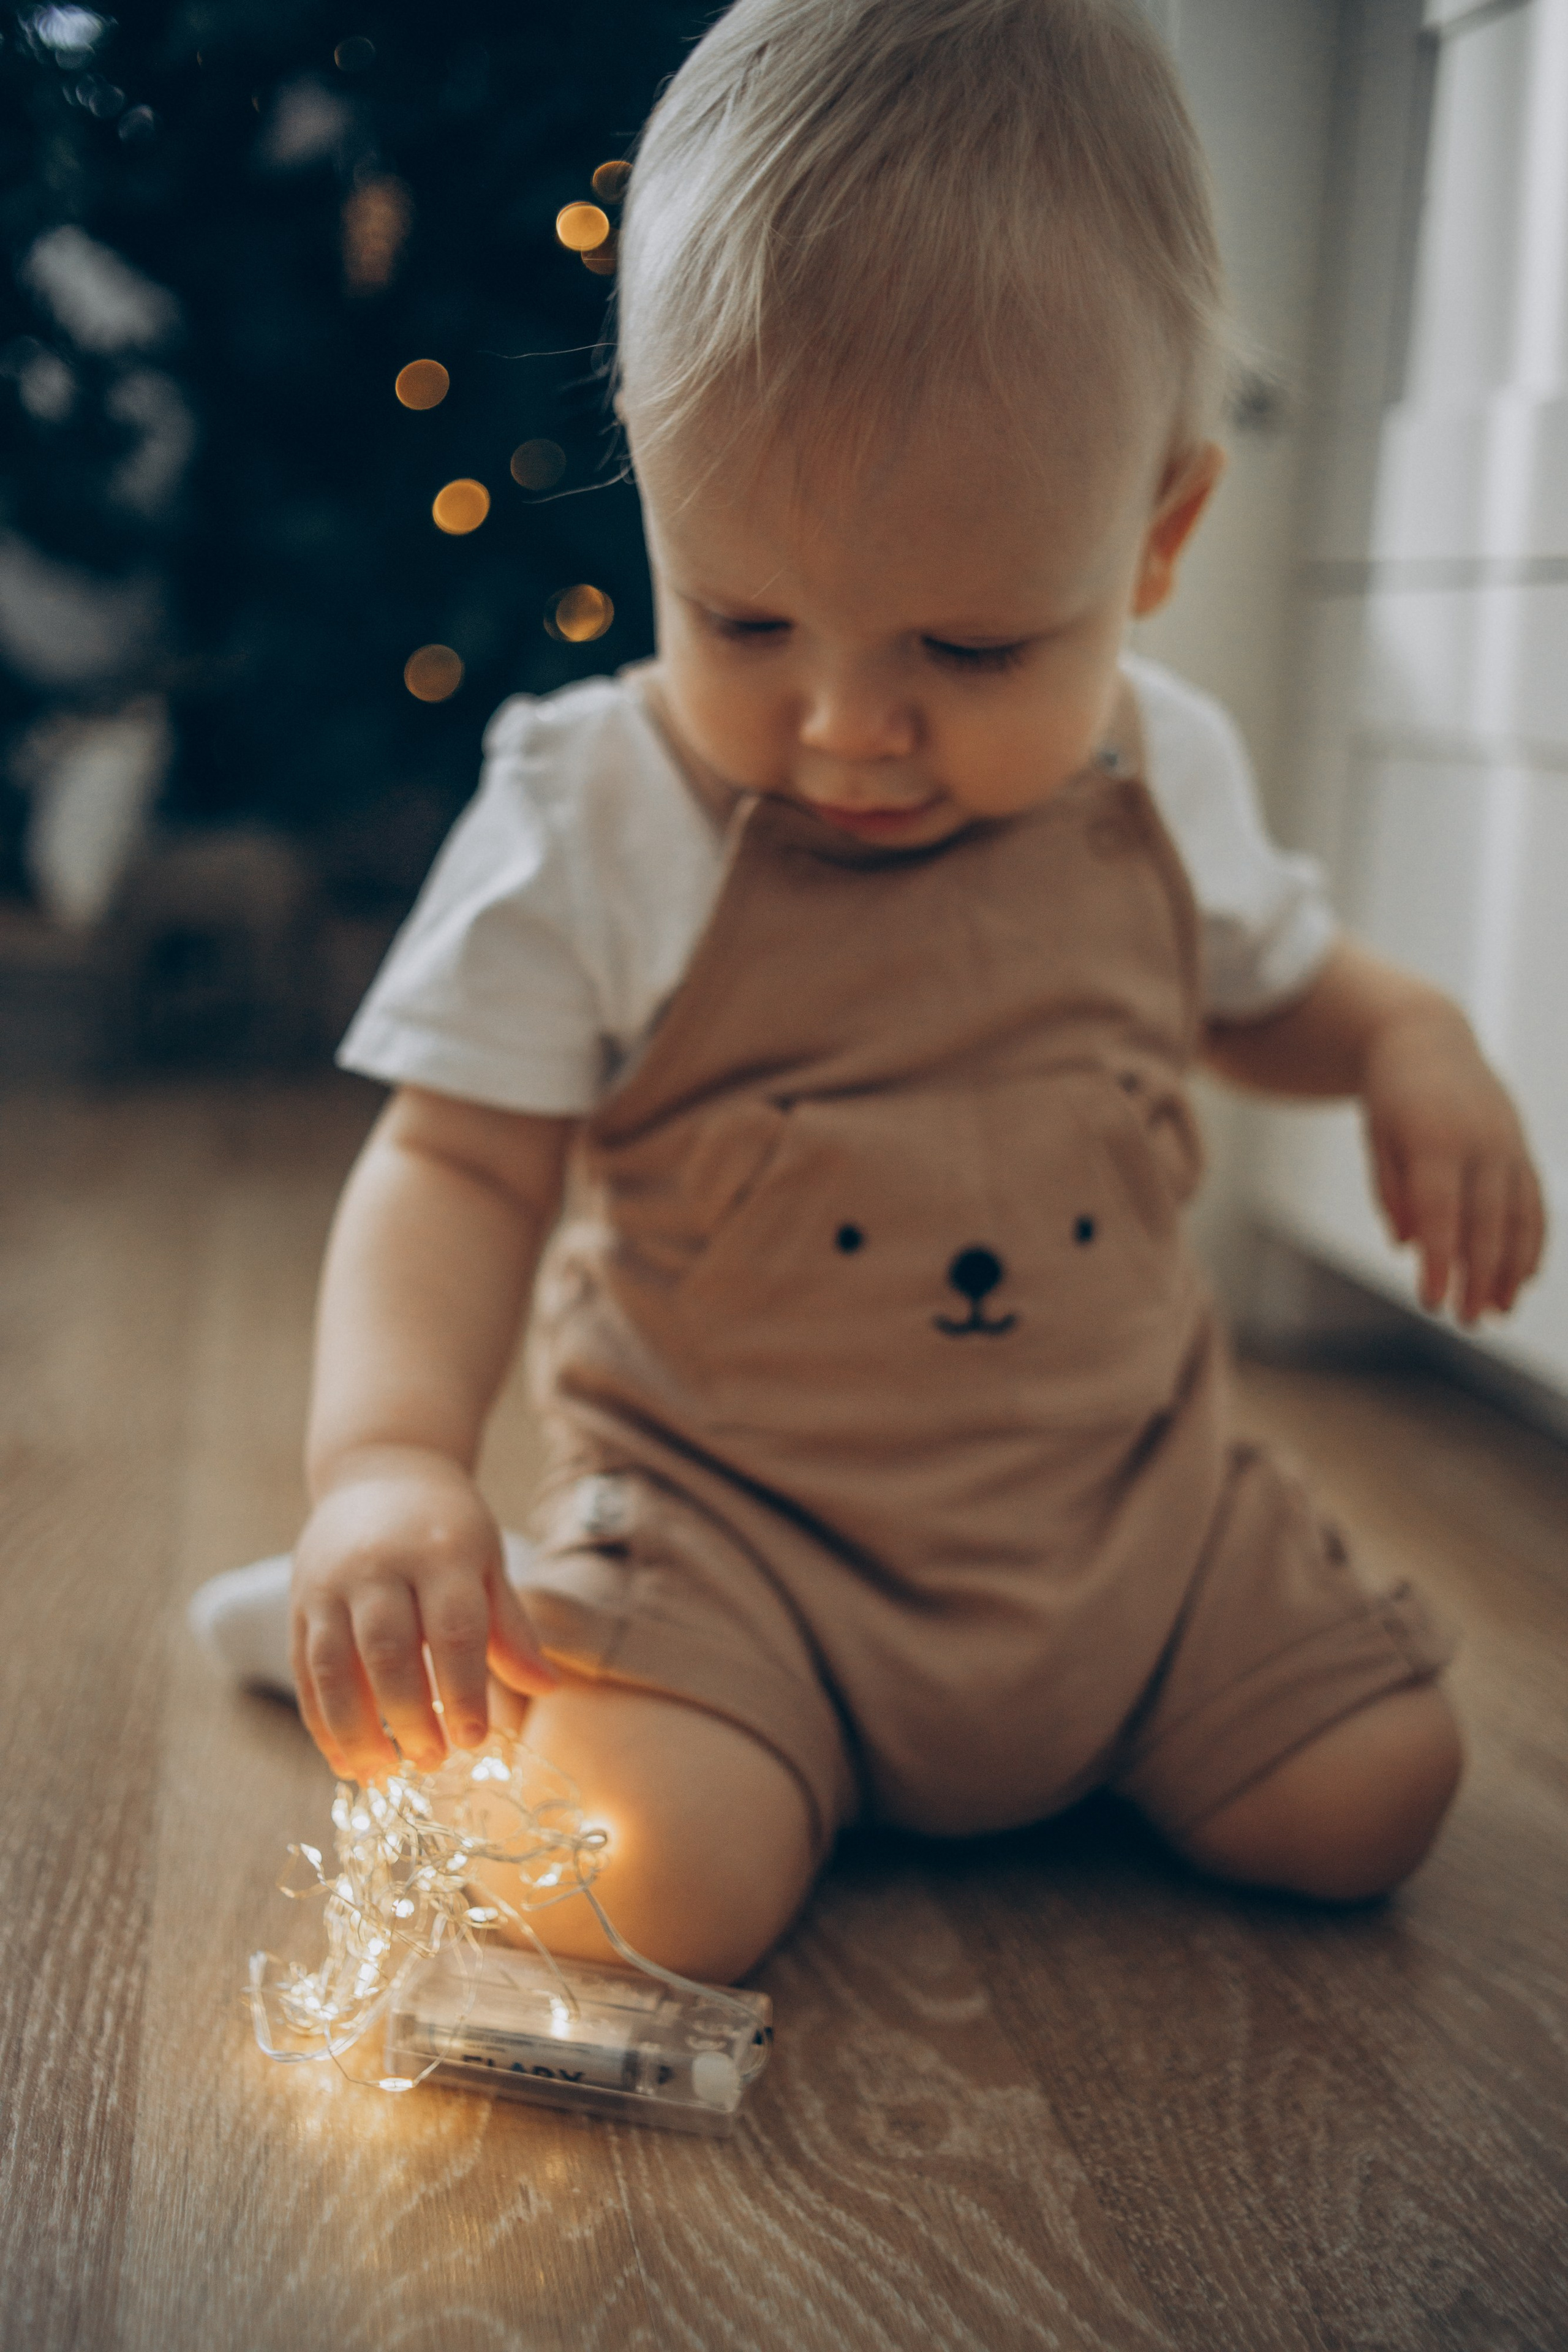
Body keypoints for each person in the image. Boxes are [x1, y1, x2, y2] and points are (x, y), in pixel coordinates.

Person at [193, 0, 1545, 1984]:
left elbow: (1260, 995)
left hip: (1128, 1529)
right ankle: (458, 1657)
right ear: (653, 480)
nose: (843, 728)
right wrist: (386, 1465)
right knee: (652, 1884)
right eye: (741, 616)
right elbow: (460, 1167)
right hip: (741, 1550)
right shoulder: (601, 808)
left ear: (1157, 537)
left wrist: (1412, 1038)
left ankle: (1080, 1729)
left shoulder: (1163, 778)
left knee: (1373, 1797)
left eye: (973, 647)